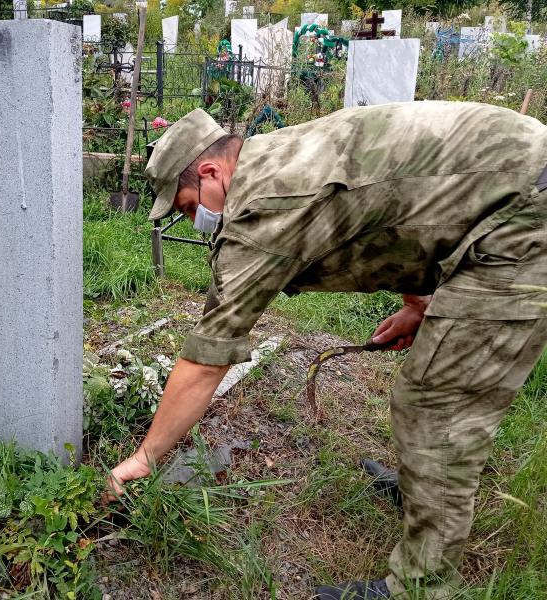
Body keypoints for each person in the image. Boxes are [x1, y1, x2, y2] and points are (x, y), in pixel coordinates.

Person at [107, 105, 547, 599]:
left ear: (211, 171)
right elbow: (396, 204)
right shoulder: (273, 157)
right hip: (506, 181)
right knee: (430, 394)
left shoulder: (265, 209)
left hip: (524, 217)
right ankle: (429, 493)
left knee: (436, 403)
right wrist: (418, 301)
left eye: (189, 206)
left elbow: (208, 357)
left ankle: (421, 586)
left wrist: (144, 458)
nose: (194, 221)